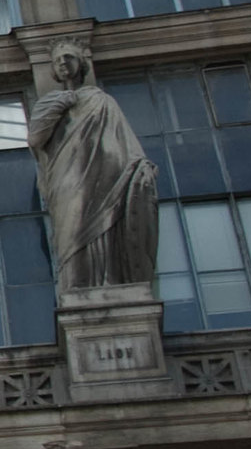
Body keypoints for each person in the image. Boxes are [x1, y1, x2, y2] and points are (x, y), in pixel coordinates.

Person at [28, 40, 159, 291]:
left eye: (69, 58)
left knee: (106, 229)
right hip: (66, 179)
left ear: (81, 63)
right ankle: (79, 287)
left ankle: (107, 283)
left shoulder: (101, 100)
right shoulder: (50, 102)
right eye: (58, 61)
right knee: (72, 232)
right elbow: (35, 138)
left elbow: (123, 141)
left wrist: (141, 168)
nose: (63, 63)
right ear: (54, 70)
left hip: (104, 176)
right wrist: (58, 106)